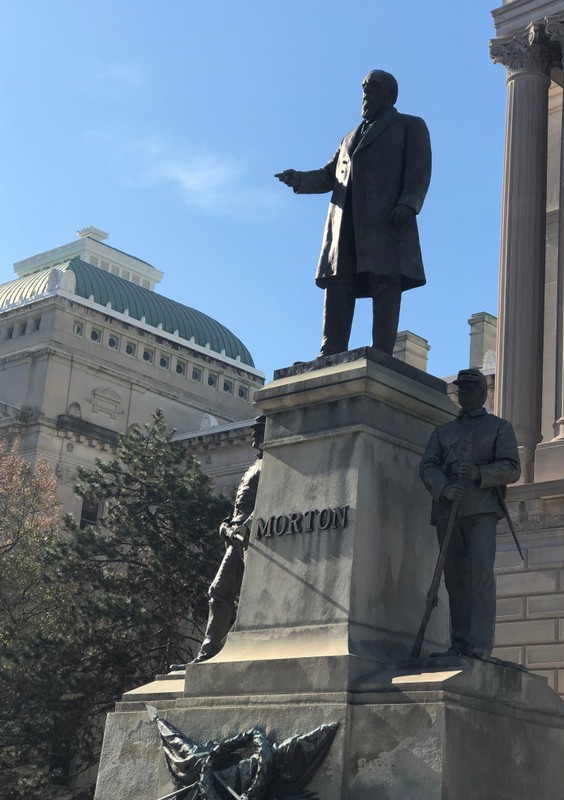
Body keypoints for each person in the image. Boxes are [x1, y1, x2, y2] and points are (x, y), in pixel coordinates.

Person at [275, 69, 431, 357]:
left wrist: (409, 202)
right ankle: (330, 350)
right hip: (344, 220)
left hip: (385, 218)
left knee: (385, 280)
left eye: (372, 87)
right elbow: (328, 176)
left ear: (390, 94)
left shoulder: (410, 126)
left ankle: (382, 350)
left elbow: (419, 168)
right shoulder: (349, 138)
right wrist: (299, 179)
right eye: (363, 87)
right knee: (338, 282)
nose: (365, 93)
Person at [419, 369, 520, 660]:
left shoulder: (499, 427)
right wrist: (444, 488)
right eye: (460, 389)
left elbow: (512, 467)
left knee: (481, 575)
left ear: (482, 393)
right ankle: (459, 643)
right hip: (448, 510)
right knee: (454, 579)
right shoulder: (443, 432)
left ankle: (480, 644)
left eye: (469, 389)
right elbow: (428, 466)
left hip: (481, 511)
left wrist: (480, 473)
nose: (463, 394)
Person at [171, 416, 264, 670]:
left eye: (259, 430)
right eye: (254, 431)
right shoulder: (255, 465)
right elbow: (239, 507)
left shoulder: (272, 464)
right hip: (236, 538)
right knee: (218, 593)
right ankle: (208, 654)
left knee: (239, 597)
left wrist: (244, 527)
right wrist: (226, 525)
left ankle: (219, 653)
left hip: (253, 540)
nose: (254, 435)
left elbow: (271, 501)